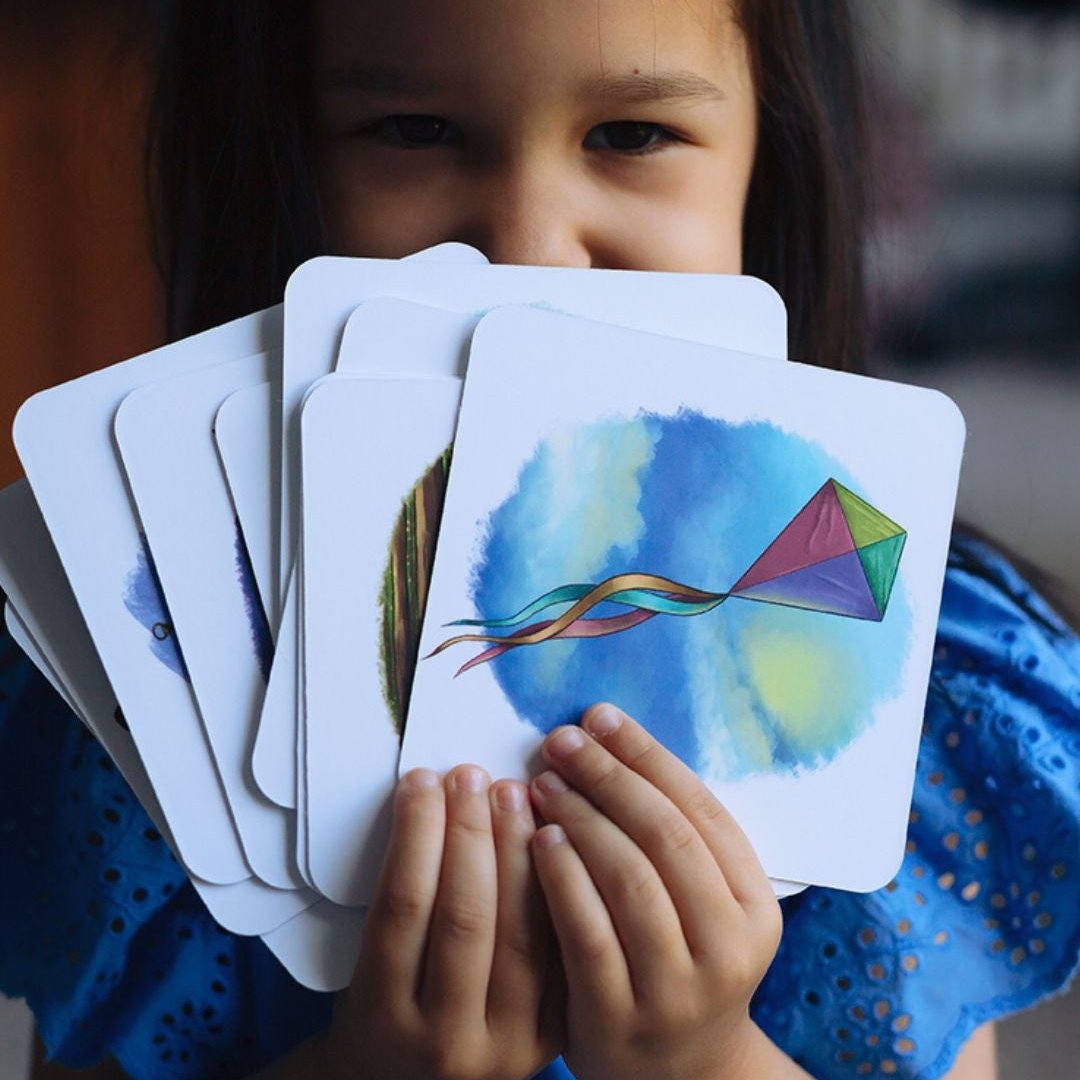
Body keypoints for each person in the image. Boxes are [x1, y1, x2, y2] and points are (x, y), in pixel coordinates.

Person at [2, 2, 1077, 1078]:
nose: (523, 246)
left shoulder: (904, 697)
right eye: (418, 131)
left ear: (773, 164)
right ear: (277, 162)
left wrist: (704, 1060)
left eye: (630, 136)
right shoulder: (131, 698)